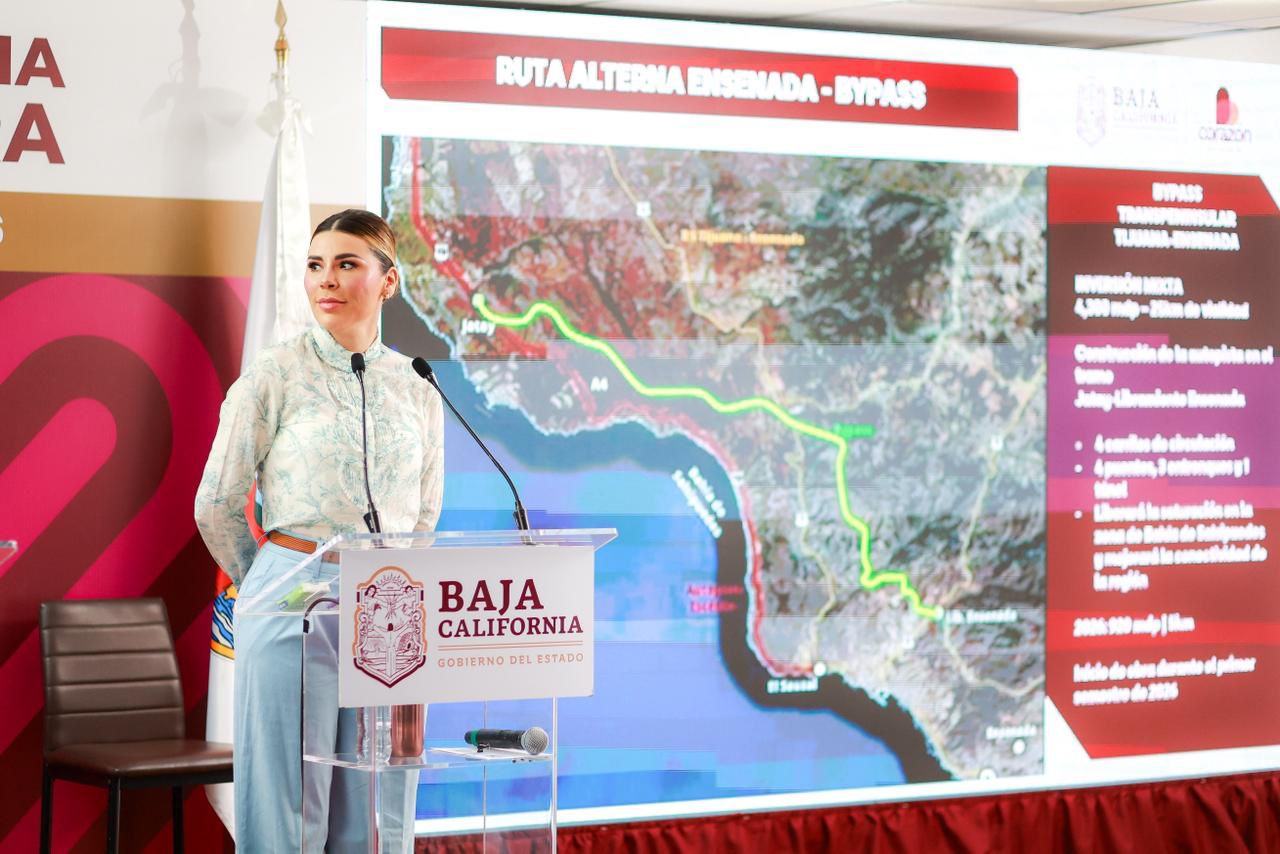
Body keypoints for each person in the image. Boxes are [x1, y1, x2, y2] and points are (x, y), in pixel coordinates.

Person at [195, 209, 444, 852]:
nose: (325, 280)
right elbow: (216, 501)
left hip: (391, 606)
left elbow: (424, 513)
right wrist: (272, 581)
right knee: (287, 807)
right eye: (315, 265)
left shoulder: (417, 384)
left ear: (388, 281)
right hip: (292, 597)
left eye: (346, 264)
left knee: (380, 807)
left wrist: (392, 576)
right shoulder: (275, 374)